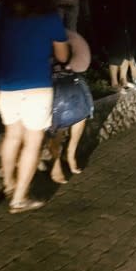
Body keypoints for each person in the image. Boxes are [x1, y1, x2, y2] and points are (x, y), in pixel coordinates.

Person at [0, 0, 69, 213]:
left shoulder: (3, 13)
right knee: (32, 142)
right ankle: (19, 199)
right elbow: (63, 56)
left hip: (6, 85)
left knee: (12, 136)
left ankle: (9, 185)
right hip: (37, 85)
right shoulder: (49, 17)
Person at [49, 30, 92, 183]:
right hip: (49, 83)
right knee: (58, 125)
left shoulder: (64, 32)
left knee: (81, 116)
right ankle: (55, 164)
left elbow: (80, 61)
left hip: (70, 78)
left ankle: (70, 154)